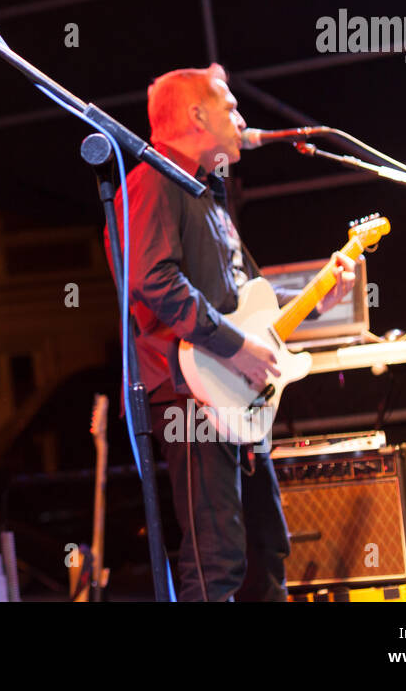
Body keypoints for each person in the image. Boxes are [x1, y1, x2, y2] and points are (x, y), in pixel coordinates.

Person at [110, 63, 355, 601]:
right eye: (231, 107)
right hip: (188, 395)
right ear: (197, 115)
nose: (243, 120)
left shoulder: (207, 193)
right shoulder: (152, 180)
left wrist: (318, 302)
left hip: (230, 389)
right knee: (215, 559)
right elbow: (154, 280)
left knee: (265, 548)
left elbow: (248, 302)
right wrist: (235, 346)